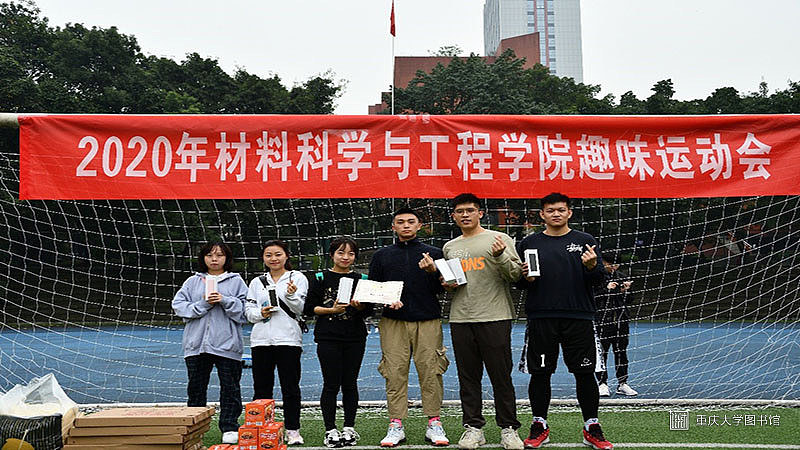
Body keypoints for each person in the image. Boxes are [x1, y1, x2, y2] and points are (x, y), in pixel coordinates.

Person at [516, 192, 613, 450]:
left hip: (579, 316)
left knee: (585, 373)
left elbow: (599, 280)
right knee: (540, 373)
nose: (556, 214)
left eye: (561, 209)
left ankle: (591, 426)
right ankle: (539, 425)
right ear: (542, 215)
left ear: (569, 212)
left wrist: (592, 266)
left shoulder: (585, 241)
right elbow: (519, 282)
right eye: (550, 210)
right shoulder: (528, 243)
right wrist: (526, 278)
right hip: (541, 317)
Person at [440, 193, 524, 450]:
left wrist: (500, 256)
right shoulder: (450, 247)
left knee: (501, 376)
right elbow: (452, 283)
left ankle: (509, 428)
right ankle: (473, 428)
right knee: (468, 377)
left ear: (480, 213)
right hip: (461, 317)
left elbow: (515, 275)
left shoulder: (499, 239)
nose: (465, 215)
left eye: (470, 210)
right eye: (460, 211)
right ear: (454, 216)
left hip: (495, 316)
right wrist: (447, 284)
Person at [370, 207, 450, 448]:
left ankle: (434, 422)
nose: (406, 225)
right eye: (400, 222)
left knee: (431, 370)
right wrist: (386, 300)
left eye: (410, 221)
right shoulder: (382, 255)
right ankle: (396, 424)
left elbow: (445, 288)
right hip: (393, 322)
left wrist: (433, 271)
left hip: (428, 320)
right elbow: (373, 289)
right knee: (394, 371)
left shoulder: (435, 253)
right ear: (393, 227)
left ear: (419, 225)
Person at [172, 241, 248, 445]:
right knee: (196, 388)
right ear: (203, 258)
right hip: (196, 345)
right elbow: (179, 307)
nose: (214, 259)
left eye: (219, 255)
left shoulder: (237, 281)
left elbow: (244, 312)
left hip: (227, 345)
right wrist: (204, 304)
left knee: (230, 387)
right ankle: (195, 428)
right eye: (210, 255)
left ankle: (229, 426)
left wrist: (224, 300)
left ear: (227, 258)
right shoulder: (192, 282)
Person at [304, 236, 373, 448]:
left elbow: (369, 311)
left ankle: (349, 427)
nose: (345, 257)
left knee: (350, 383)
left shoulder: (362, 278)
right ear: (332, 254)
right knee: (331, 384)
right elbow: (309, 309)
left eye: (351, 253)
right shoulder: (320, 278)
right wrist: (331, 310)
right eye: (341, 252)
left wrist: (360, 306)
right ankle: (330, 430)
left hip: (355, 337)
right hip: (328, 337)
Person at [245, 240, 309, 445]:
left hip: (288, 340)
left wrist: (290, 295)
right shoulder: (257, 282)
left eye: (278, 254)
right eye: (269, 255)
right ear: (263, 258)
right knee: (261, 387)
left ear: (286, 256)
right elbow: (249, 312)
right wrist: (260, 313)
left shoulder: (297, 278)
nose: (273, 259)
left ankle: (293, 430)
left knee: (290, 387)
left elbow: (301, 309)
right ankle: (262, 430)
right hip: (261, 341)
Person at [595, 256, 638, 397]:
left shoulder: (622, 277)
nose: (613, 267)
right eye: (610, 264)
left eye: (616, 264)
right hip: (602, 321)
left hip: (620, 320)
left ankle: (622, 383)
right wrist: (606, 289)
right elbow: (592, 298)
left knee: (621, 353)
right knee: (602, 354)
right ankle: (602, 383)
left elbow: (630, 300)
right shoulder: (596, 277)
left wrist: (626, 290)